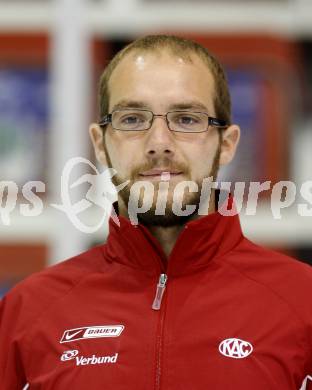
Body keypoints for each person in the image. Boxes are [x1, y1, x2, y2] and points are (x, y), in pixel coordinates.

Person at [0, 34, 311, 390]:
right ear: (101, 144)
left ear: (226, 144)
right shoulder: (27, 312)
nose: (159, 143)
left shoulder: (303, 303)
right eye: (132, 119)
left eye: (187, 119)